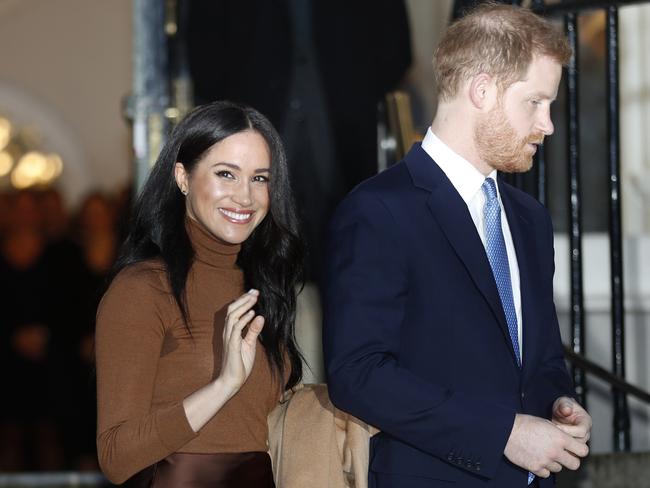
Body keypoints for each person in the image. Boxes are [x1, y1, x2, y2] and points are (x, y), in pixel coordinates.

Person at [323, 4, 592, 488]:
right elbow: (358, 374)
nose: (548, 124)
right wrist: (503, 433)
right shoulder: (378, 210)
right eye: (535, 102)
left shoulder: (528, 219)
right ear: (483, 90)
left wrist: (559, 405)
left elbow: (543, 360)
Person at [95, 101, 304, 487]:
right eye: (227, 174)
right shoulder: (143, 290)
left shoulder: (264, 286)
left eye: (260, 179)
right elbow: (116, 456)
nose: (245, 197)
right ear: (183, 177)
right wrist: (223, 385)